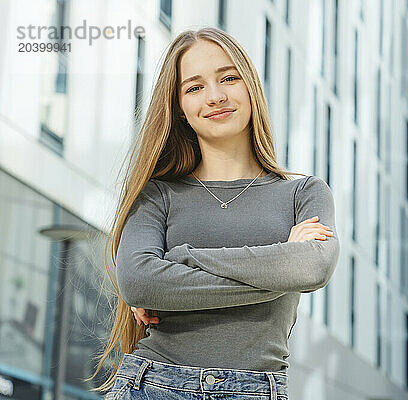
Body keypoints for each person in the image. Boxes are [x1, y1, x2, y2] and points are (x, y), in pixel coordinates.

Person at [87, 26, 340, 400]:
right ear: (180, 109)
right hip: (151, 385)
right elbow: (140, 282)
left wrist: (180, 261)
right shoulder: (157, 194)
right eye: (194, 87)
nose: (216, 97)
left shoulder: (303, 193)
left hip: (254, 389)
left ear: (250, 86)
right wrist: (279, 262)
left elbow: (311, 267)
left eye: (229, 78)